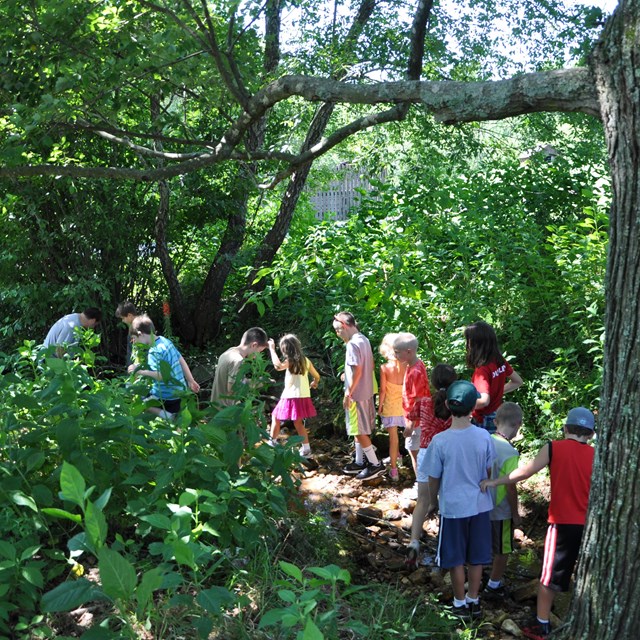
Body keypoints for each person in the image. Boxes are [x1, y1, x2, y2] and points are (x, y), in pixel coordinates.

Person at [480, 407, 596, 639]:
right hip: (591, 527)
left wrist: (495, 481)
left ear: (565, 428)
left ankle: (541, 625)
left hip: (562, 523)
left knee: (548, 577)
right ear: (591, 434)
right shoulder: (596, 455)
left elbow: (525, 473)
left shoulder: (553, 448)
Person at [423, 380, 495, 620]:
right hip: (480, 505)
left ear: (447, 404)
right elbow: (488, 472)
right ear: (474, 406)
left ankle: (459, 603)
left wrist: (432, 501)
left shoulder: (440, 441)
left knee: (455, 559)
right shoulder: (484, 437)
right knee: (476, 557)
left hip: (453, 508)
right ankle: (474, 600)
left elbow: (433, 478)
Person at [405, 363, 457, 568]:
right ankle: (443, 552)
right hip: (449, 454)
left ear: (433, 382)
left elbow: (409, 424)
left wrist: (407, 433)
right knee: (446, 501)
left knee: (422, 501)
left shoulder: (424, 402)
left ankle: (414, 543)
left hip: (427, 453)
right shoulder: (456, 405)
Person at [333, 312, 385, 481]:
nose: (337, 334)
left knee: (358, 429)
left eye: (338, 330)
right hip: (366, 390)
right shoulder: (364, 340)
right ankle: (359, 461)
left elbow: (358, 369)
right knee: (359, 428)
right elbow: (369, 365)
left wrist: (348, 393)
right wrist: (346, 376)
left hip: (356, 394)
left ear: (346, 326)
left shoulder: (352, 344)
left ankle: (375, 464)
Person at [483, 402, 523, 599]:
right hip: (500, 509)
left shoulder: (484, 441)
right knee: (503, 548)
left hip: (480, 504)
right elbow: (510, 485)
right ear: (518, 424)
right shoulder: (511, 452)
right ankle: (494, 584)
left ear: (495, 421)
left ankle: (476, 577)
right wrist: (515, 513)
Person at [127, 314, 199, 417]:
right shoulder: (165, 341)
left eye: (134, 338)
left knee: (142, 404)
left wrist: (139, 371)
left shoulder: (154, 352)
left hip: (166, 396)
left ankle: (169, 417)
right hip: (179, 393)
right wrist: (190, 380)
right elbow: (180, 359)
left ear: (140, 334)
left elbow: (161, 376)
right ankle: (174, 416)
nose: (134, 342)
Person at [464, 321, 523, 433]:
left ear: (475, 344)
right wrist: (497, 392)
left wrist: (464, 406)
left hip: (483, 420)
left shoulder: (482, 370)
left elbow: (484, 401)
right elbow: (518, 381)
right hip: (497, 415)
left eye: (468, 341)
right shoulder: (499, 360)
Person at [267, 334, 320, 457]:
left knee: (276, 416)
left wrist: (272, 349)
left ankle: (272, 443)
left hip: (291, 396)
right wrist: (315, 383)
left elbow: (278, 366)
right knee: (298, 422)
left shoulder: (290, 361)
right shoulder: (306, 360)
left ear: (285, 349)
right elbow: (317, 375)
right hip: (303, 396)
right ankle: (306, 449)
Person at [392, 332, 431, 479]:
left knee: (415, 453)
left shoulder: (415, 371)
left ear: (408, 352)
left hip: (416, 422)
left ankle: (421, 486)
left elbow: (418, 400)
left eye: (397, 352)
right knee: (417, 453)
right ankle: (424, 485)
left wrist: (410, 424)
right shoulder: (415, 364)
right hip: (418, 420)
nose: (395, 355)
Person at [210, 327, 269, 406]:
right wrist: (259, 383)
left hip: (215, 406)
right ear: (254, 345)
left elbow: (233, 381)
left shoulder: (230, 351)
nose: (257, 356)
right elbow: (232, 389)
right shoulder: (237, 360)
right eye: (259, 351)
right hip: (226, 411)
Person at [377, 333, 407, 482]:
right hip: (404, 406)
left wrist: (380, 406)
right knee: (404, 433)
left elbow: (382, 390)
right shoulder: (406, 364)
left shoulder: (384, 368)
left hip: (390, 406)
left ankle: (394, 470)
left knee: (393, 439)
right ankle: (400, 457)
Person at [115, 300, 139, 365]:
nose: (122, 321)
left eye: (123, 318)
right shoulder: (131, 325)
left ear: (129, 315)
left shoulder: (138, 327)